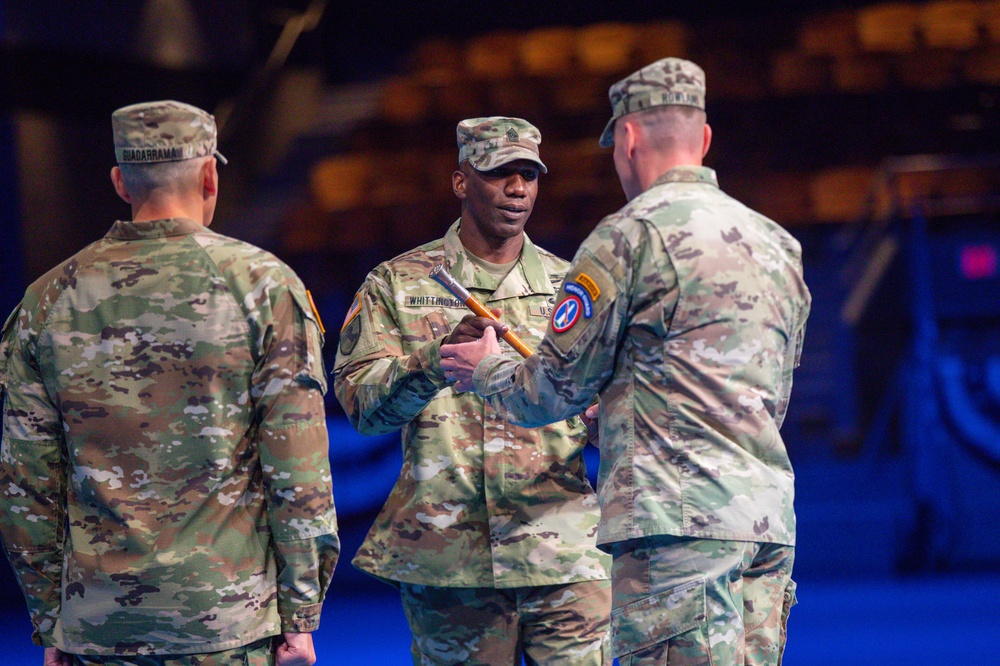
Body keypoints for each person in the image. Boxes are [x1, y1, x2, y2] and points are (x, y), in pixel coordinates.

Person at [440, 59, 811, 665]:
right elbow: (770, 393)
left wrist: (486, 368)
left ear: (629, 139)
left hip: (675, 532)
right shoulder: (777, 243)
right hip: (765, 524)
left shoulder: (627, 238)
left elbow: (550, 389)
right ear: (705, 140)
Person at [0, 100, 339, 666]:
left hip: (98, 623)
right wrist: (301, 617)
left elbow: (26, 486)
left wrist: (50, 620)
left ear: (119, 181)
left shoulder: (46, 300)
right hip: (227, 624)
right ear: (210, 174)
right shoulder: (263, 286)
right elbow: (298, 469)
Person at [333, 117, 611, 665]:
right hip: (450, 556)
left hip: (564, 548)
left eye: (529, 174)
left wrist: (606, 418)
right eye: (499, 173)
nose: (517, 189)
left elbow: (613, 409)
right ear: (461, 181)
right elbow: (363, 410)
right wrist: (432, 362)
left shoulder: (571, 287)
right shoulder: (397, 283)